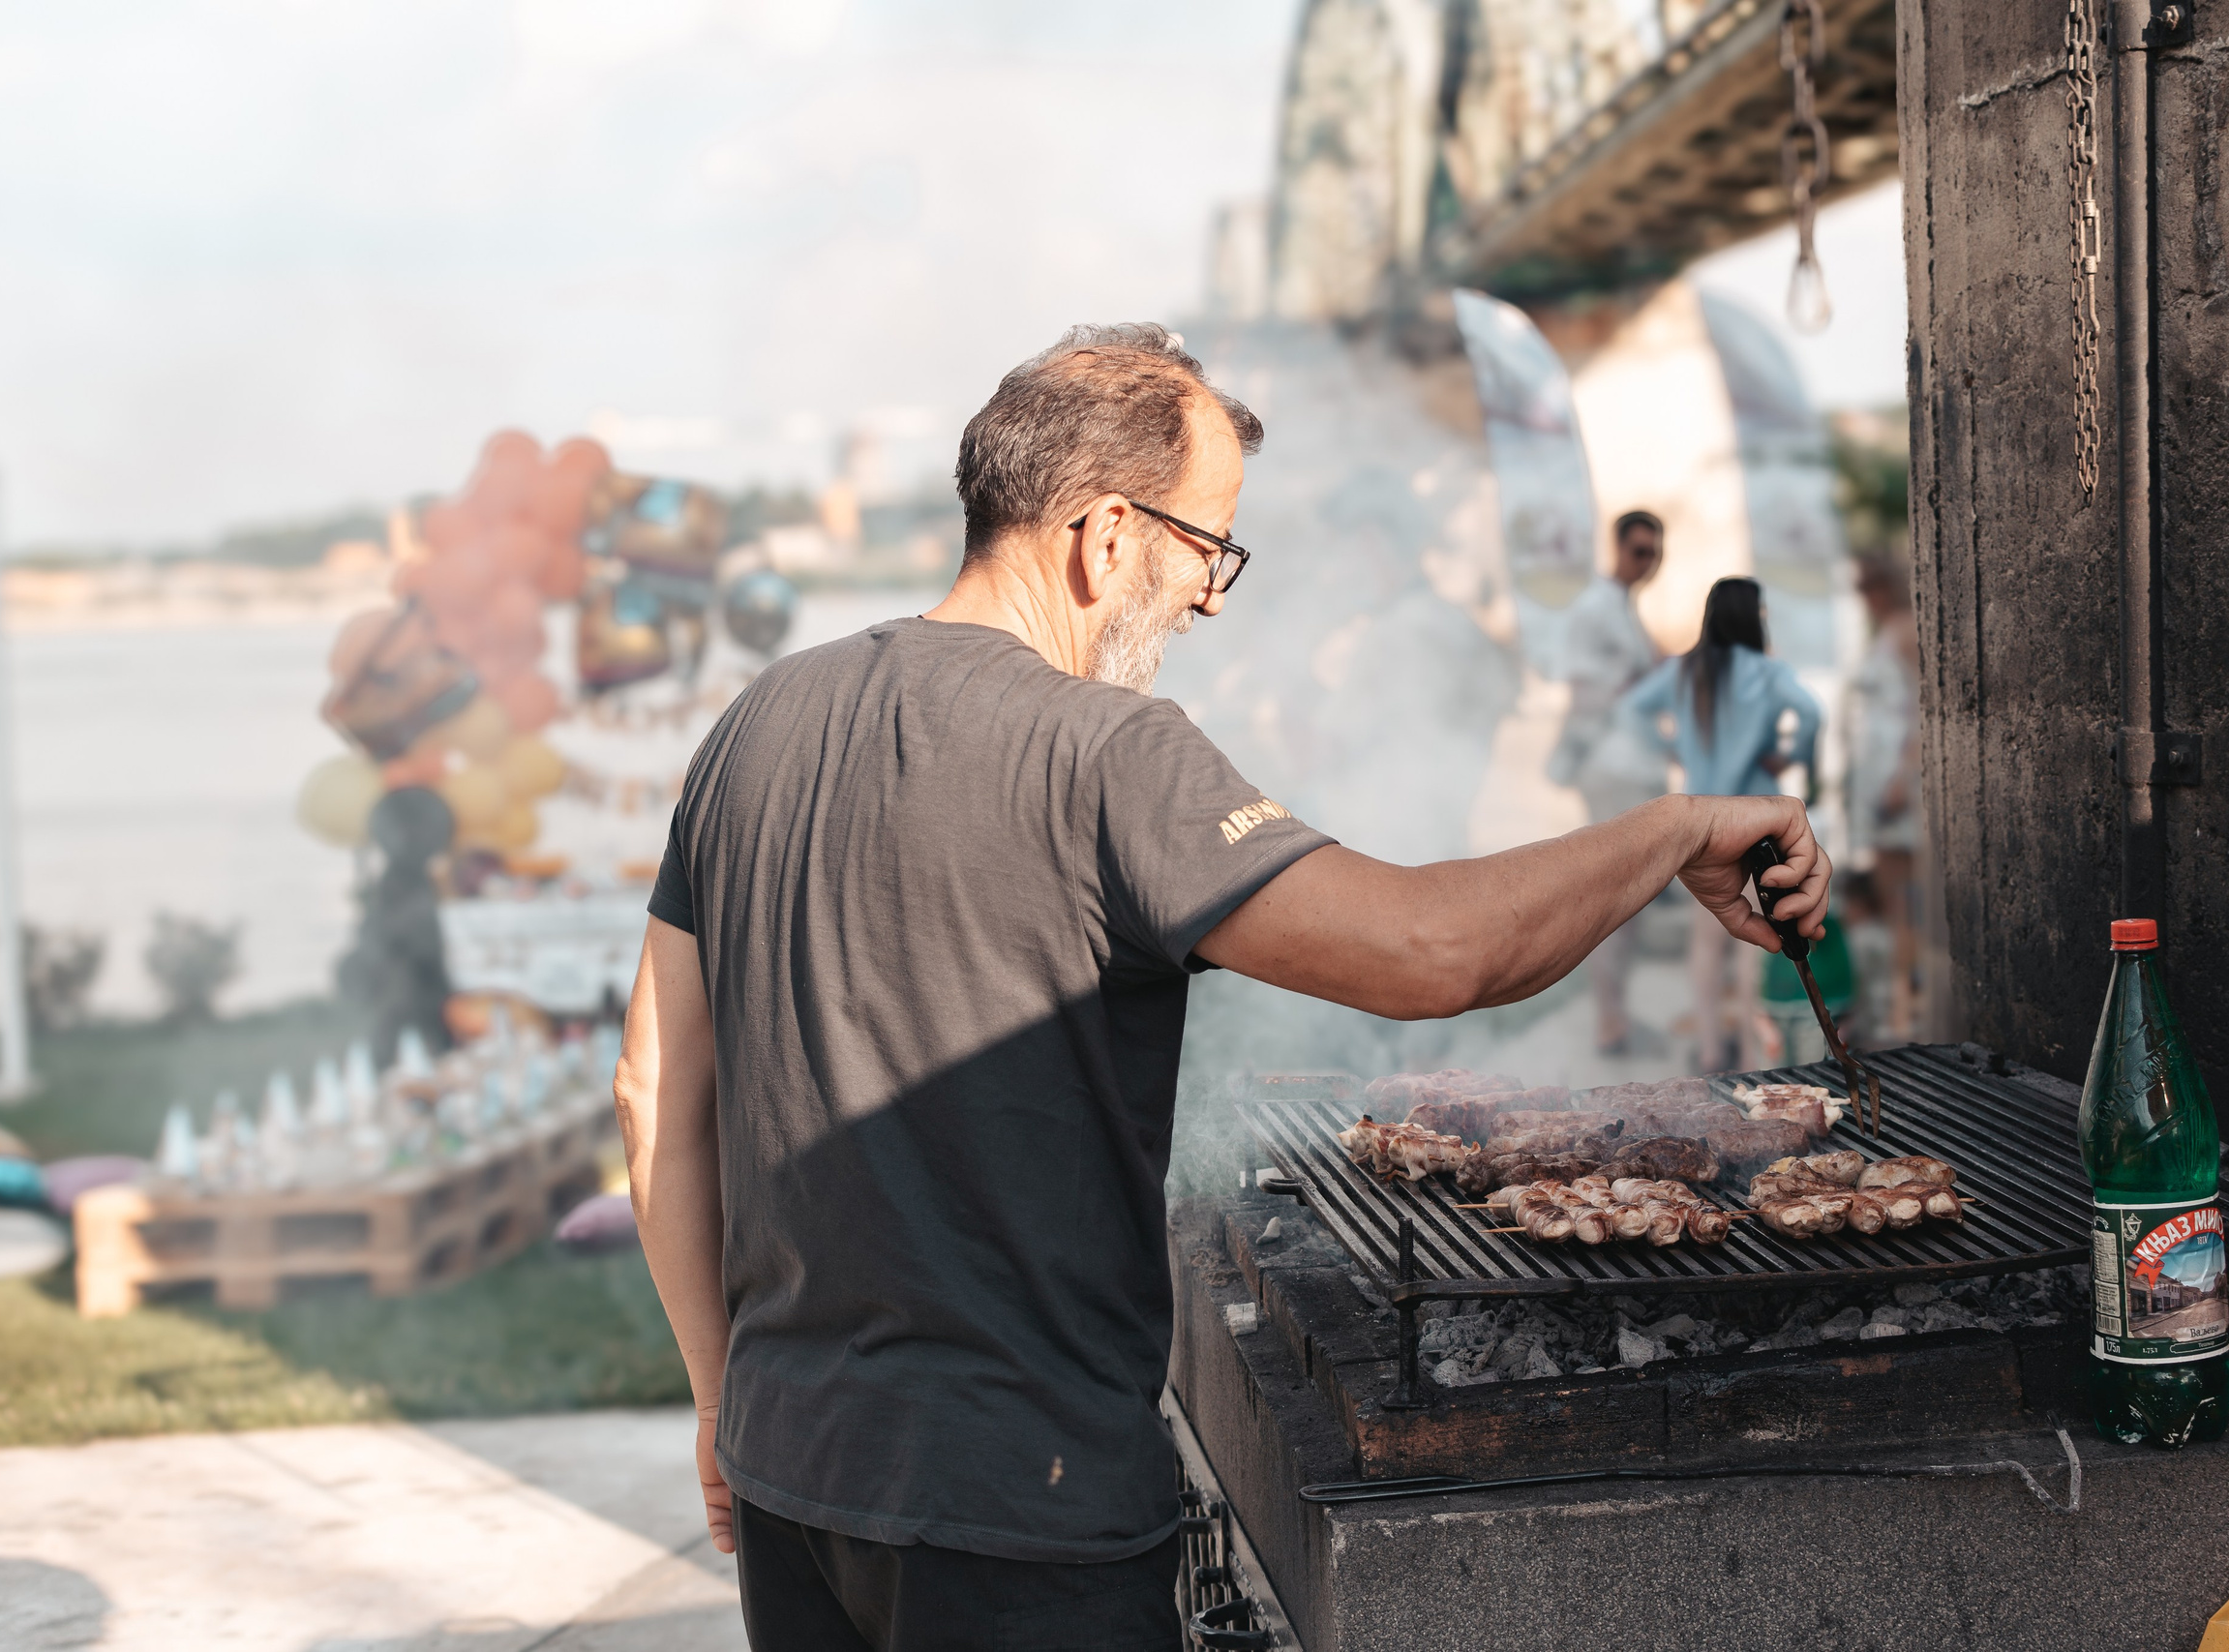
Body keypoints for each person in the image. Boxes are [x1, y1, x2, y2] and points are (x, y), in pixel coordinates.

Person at [615, 325, 1831, 1652]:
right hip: (1025, 1506)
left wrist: (721, 1394)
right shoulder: (1106, 753)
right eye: (1210, 549)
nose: (1208, 598)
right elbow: (1434, 950)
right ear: (1105, 533)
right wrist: (1666, 832)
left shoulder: (753, 722)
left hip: (796, 1481)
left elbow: (652, 1089)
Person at [1620, 576, 1824, 1074]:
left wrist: (1672, 750)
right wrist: (1789, 756)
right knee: (1757, 932)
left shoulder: (1685, 671)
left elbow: (1631, 710)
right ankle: (1752, 1054)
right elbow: (1812, 713)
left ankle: (1711, 1048)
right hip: (1754, 818)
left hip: (1699, 818)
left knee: (1706, 937)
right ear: (1753, 616)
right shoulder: (1766, 671)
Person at [1544, 509, 1670, 1054]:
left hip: (1635, 766)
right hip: (1612, 767)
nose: (1647, 562)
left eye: (1655, 553)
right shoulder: (1595, 607)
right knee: (1616, 898)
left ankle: (1616, 1017)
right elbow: (1583, 692)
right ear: (1617, 547)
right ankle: (1610, 1022)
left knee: (1632, 900)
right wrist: (1640, 685)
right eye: (1639, 551)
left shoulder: (1624, 607)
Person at [1848, 556, 1923, 1038]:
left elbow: (1921, 705)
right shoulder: (1884, 631)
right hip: (1877, 783)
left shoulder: (1903, 630)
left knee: (1899, 898)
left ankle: (1902, 1006)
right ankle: (1895, 1003)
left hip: (1895, 785)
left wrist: (1901, 777)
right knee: (1890, 893)